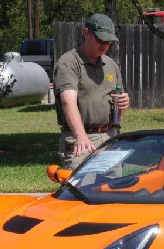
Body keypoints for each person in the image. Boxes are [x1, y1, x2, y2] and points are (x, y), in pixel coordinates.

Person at [53, 13, 130, 170]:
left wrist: (124, 102)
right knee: (78, 190)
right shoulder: (69, 63)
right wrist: (80, 136)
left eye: (108, 43)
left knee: (110, 190)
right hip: (82, 139)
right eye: (100, 40)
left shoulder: (111, 65)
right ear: (87, 33)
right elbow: (68, 101)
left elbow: (118, 97)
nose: (104, 46)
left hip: (110, 136)